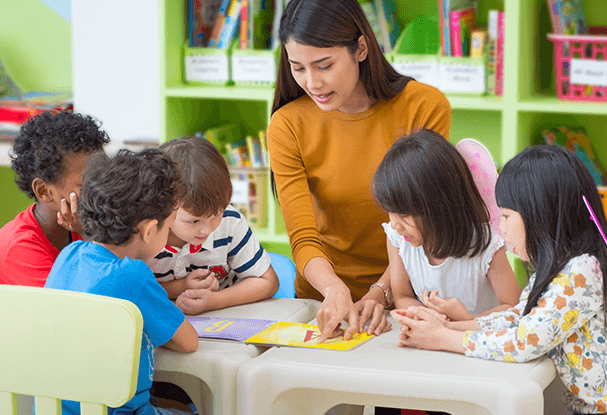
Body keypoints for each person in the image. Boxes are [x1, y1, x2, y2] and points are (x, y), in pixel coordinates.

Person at [391, 145, 607, 415]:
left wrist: (444, 338)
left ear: (541, 214)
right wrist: (453, 325)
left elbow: (525, 342)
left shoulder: (583, 271)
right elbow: (519, 317)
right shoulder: (557, 270)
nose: (501, 227)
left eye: (508, 216)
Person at [267, 0, 451, 342]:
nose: (312, 83)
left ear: (361, 49)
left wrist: (383, 291)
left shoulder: (423, 107)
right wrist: (334, 290)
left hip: (412, 294)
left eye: (324, 65)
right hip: (323, 298)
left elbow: (426, 222)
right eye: (298, 68)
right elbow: (303, 238)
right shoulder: (287, 124)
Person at [0, 111, 109, 409]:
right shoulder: (22, 247)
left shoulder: (76, 227)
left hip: (23, 355)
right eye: (87, 187)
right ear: (44, 190)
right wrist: (93, 235)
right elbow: (84, 315)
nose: (102, 194)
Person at [45, 149, 198, 415]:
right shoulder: (133, 275)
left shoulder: (69, 255)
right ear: (150, 230)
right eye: (169, 225)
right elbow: (188, 342)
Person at [371, 130, 521, 321]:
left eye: (403, 214)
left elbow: (513, 308)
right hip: (435, 343)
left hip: (477, 343)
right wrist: (428, 316)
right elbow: (403, 296)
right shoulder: (398, 239)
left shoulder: (486, 245)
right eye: (390, 211)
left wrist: (464, 319)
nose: (394, 224)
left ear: (440, 205)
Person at [151, 136, 279, 315]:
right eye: (194, 221)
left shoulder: (229, 221)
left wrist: (215, 301)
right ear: (163, 206)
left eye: (216, 215)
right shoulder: (146, 232)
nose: (207, 229)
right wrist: (180, 287)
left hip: (223, 319)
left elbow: (268, 281)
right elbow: (128, 289)